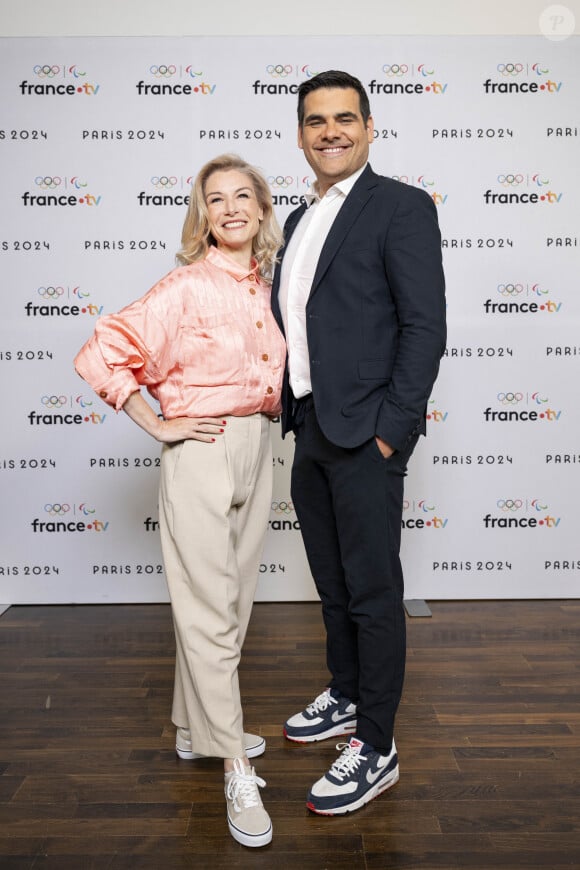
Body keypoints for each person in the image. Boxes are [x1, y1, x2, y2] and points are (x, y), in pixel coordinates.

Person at [74, 153, 286, 848]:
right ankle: (231, 765)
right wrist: (159, 423)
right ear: (203, 214)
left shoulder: (271, 286)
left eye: (241, 195)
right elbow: (104, 349)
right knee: (208, 610)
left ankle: (196, 730)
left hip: (260, 444)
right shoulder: (185, 286)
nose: (228, 208)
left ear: (260, 207)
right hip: (201, 451)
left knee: (229, 602)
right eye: (214, 198)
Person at [271, 70, 446, 816]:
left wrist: (390, 434)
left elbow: (424, 328)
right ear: (301, 133)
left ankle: (376, 745)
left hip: (366, 435)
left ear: (370, 129)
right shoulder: (299, 217)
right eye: (316, 120)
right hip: (310, 427)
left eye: (346, 118)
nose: (331, 131)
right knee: (334, 586)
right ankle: (346, 696)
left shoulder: (400, 206)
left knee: (373, 595)